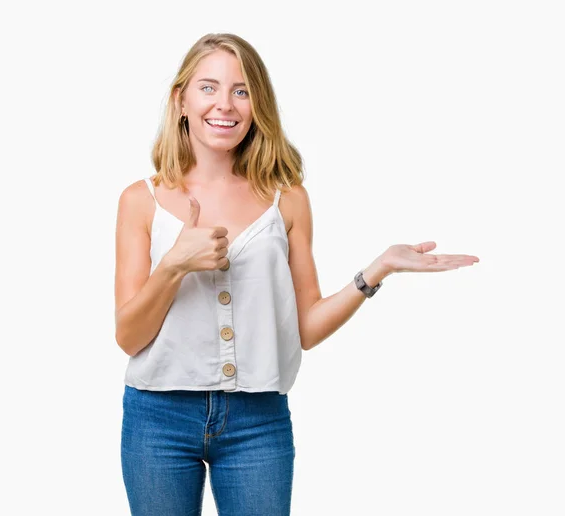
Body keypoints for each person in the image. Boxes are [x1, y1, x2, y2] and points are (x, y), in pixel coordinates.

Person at [115, 32, 479, 516]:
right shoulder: (141, 200)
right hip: (157, 418)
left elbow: (305, 328)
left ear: (257, 104)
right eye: (208, 88)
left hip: (257, 421)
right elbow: (128, 336)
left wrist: (378, 269)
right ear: (181, 99)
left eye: (241, 91)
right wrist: (175, 265)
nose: (225, 104)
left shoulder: (287, 199)